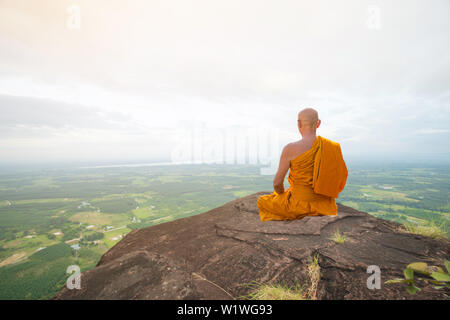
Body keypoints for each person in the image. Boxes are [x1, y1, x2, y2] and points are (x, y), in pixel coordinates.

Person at [257, 108, 348, 221]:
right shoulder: (332, 147)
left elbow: (277, 184)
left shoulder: (290, 148)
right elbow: (339, 178)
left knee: (262, 201)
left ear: (299, 123)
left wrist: (281, 195)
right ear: (318, 123)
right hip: (325, 206)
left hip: (298, 206)